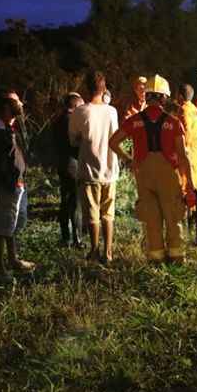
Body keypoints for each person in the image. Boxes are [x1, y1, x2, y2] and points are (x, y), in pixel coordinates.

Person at [109, 74, 197, 264]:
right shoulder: (174, 123)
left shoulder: (134, 120)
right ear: (164, 98)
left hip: (143, 173)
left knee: (152, 219)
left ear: (147, 96)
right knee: (173, 217)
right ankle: (176, 257)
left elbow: (113, 142)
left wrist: (128, 159)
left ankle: (155, 258)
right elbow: (183, 156)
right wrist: (189, 184)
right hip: (168, 174)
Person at [0, 90, 35, 273]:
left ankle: (12, 259)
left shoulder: (8, 126)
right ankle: (1, 267)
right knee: (4, 223)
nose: (20, 105)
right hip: (9, 184)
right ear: (6, 107)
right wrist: (9, 180)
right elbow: (0, 161)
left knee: (13, 221)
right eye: (16, 103)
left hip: (16, 182)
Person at [69, 71, 120, 264]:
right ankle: (108, 253)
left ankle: (94, 251)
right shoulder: (112, 111)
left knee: (92, 214)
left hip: (89, 168)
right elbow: (116, 137)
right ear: (104, 88)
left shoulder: (80, 112)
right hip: (110, 169)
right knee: (108, 213)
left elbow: (73, 140)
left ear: (86, 88)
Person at [54, 92, 84, 247]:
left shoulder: (57, 119)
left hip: (62, 164)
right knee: (75, 204)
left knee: (64, 202)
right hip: (74, 165)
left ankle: (65, 237)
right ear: (76, 105)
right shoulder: (72, 121)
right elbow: (76, 144)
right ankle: (77, 239)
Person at [177, 84, 197, 190]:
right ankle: (193, 206)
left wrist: (184, 147)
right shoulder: (195, 110)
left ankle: (186, 206)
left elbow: (186, 130)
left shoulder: (183, 109)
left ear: (180, 96)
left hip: (187, 155)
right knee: (194, 185)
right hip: (196, 153)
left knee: (185, 185)